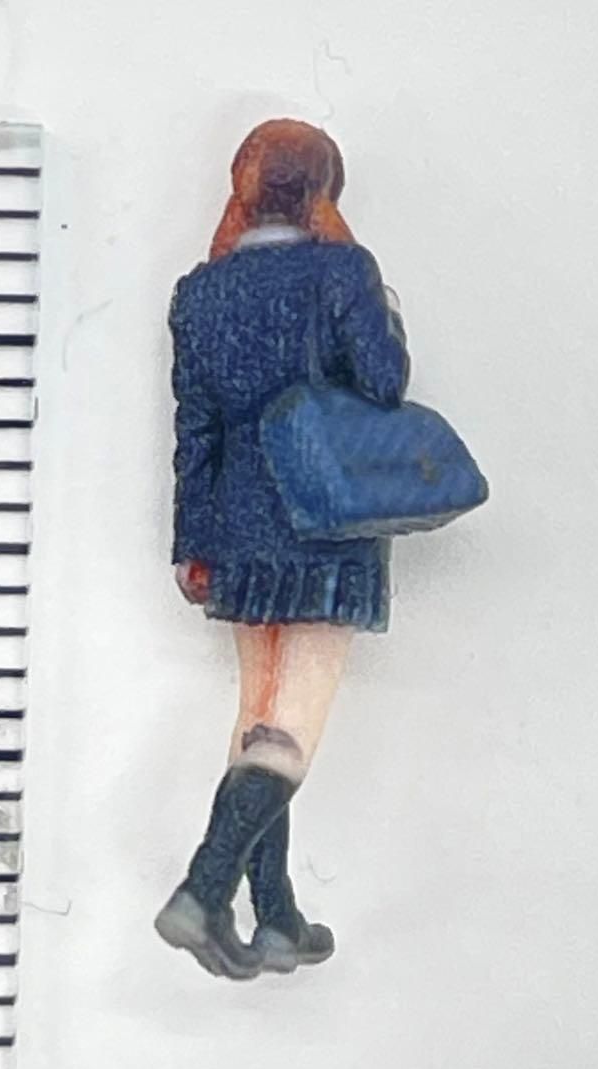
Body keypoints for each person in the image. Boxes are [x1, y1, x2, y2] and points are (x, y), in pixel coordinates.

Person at [155, 118, 410, 979]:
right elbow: (383, 383)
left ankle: (276, 917)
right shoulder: (343, 271)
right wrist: (383, 311)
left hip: (236, 532)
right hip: (324, 528)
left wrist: (191, 543)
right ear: (323, 189)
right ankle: (202, 889)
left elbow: (194, 430)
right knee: (292, 728)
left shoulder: (201, 292)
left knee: (257, 716)